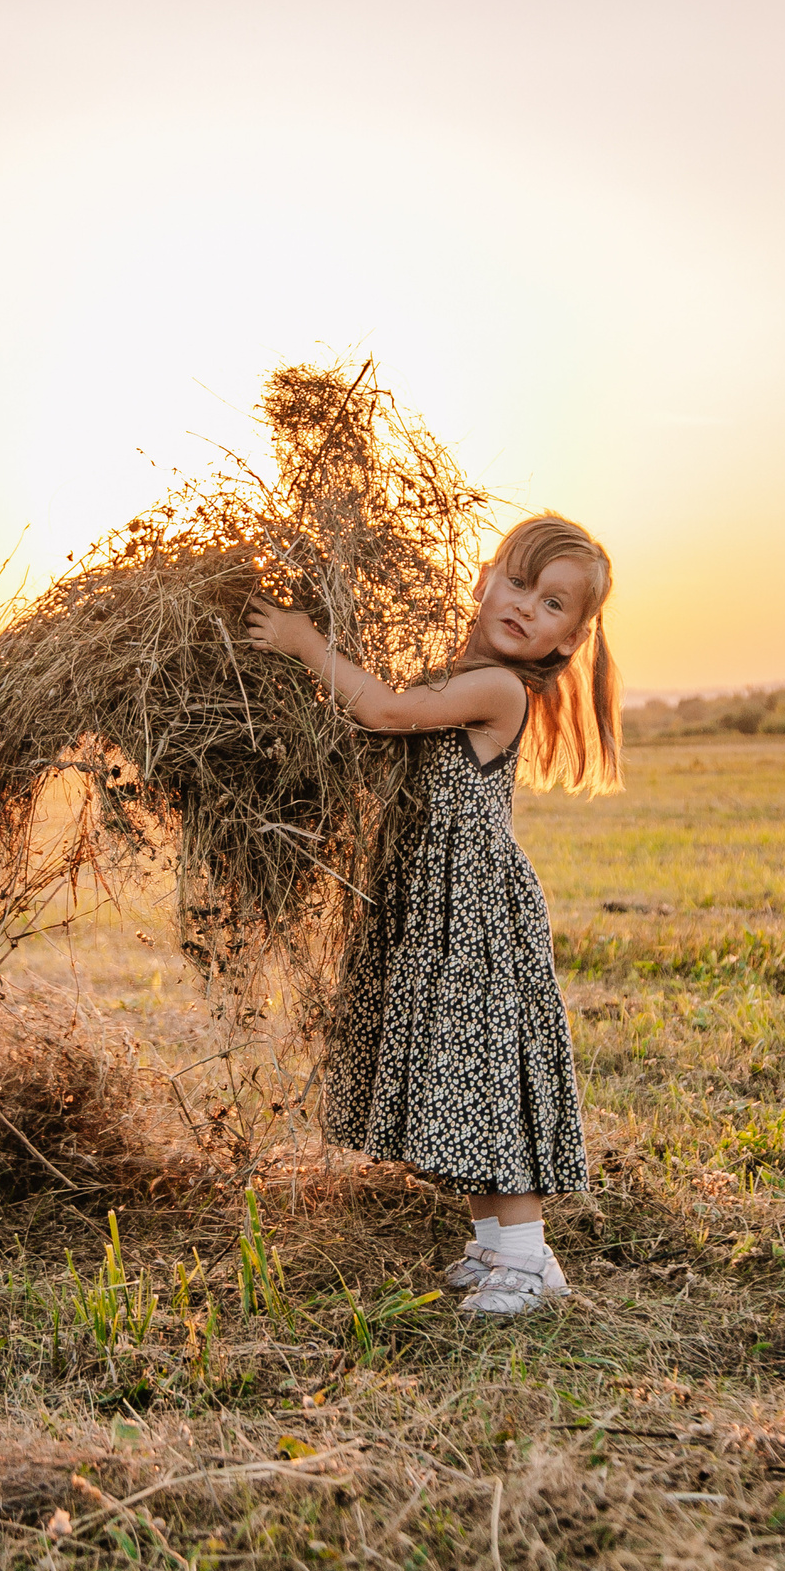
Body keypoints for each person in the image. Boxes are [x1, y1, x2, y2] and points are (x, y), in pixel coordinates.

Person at [245, 513, 620, 1316]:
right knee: (457, 1072)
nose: (525, 605)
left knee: (485, 1073)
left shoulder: (498, 688)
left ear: (567, 641)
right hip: (436, 898)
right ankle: (496, 1249)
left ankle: (527, 1261)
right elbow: (377, 711)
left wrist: (307, 640)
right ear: (484, 578)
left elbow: (380, 710)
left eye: (553, 603)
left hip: (474, 904)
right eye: (517, 581)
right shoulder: (462, 673)